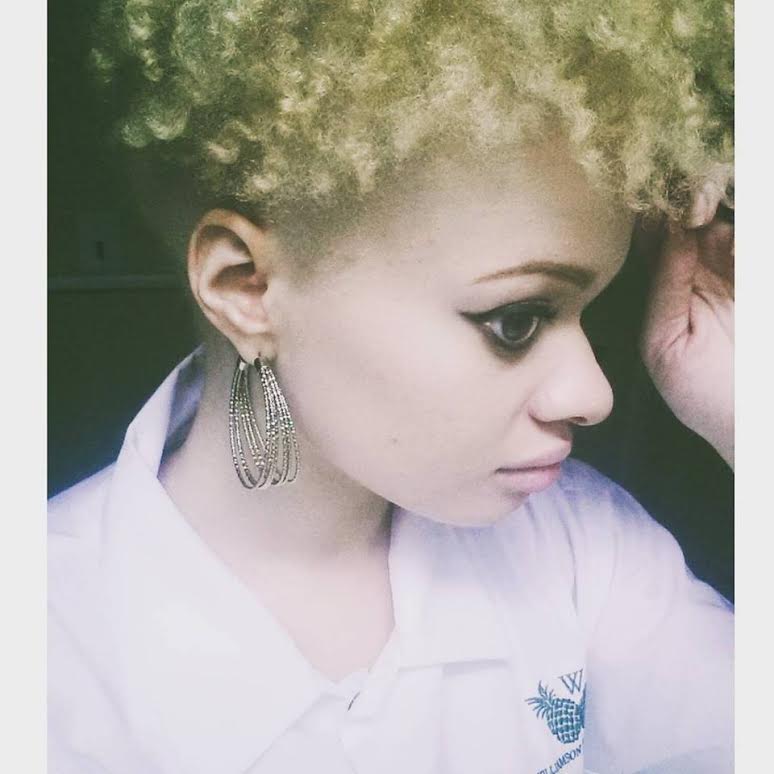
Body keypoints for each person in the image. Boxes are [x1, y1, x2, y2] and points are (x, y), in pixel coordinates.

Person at [48, 2, 734, 773]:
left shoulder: (585, 548)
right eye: (516, 321)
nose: (592, 394)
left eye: (591, 313)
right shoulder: (50, 658)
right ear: (245, 286)